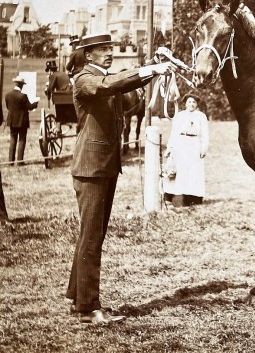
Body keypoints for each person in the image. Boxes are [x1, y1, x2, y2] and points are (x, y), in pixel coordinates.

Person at [65, 32, 174, 325]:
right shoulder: (85, 79)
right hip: (91, 168)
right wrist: (148, 69)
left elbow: (126, 90)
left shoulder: (103, 79)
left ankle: (77, 296)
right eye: (102, 50)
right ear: (88, 55)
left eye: (110, 48)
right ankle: (89, 308)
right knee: (91, 236)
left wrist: (153, 65)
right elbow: (111, 85)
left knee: (93, 234)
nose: (109, 53)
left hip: (104, 167)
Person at [163, 93, 209, 207]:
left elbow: (205, 134)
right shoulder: (179, 116)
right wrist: (169, 148)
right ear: (185, 103)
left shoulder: (201, 116)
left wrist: (204, 148)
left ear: (197, 104)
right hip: (181, 144)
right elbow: (173, 133)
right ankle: (177, 196)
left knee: (194, 171)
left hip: (194, 144)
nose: (191, 104)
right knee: (180, 170)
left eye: (194, 102)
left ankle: (194, 197)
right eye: (189, 102)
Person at [5, 75, 39, 166]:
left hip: (12, 121)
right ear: (22, 85)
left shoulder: (8, 95)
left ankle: (10, 161)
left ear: (15, 84)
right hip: (22, 121)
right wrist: (36, 103)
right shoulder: (23, 96)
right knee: (22, 140)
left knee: (13, 140)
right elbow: (29, 107)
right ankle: (20, 161)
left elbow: (8, 107)